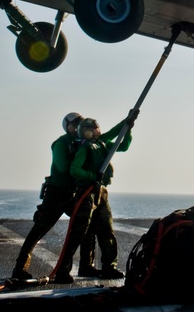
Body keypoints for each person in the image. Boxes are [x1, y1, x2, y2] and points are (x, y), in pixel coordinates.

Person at [9, 112, 95, 282]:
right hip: (56, 194)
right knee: (39, 230)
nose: (81, 128)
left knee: (86, 227)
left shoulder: (83, 144)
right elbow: (63, 167)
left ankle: (81, 266)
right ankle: (20, 268)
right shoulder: (61, 144)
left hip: (73, 194)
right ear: (70, 127)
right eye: (78, 125)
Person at [52, 111, 136, 283]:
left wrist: (128, 128)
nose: (98, 131)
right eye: (94, 128)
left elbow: (124, 144)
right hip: (86, 192)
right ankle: (63, 270)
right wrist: (91, 176)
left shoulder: (101, 145)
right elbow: (75, 170)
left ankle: (109, 267)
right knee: (78, 232)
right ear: (87, 131)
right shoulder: (84, 148)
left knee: (107, 230)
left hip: (101, 192)